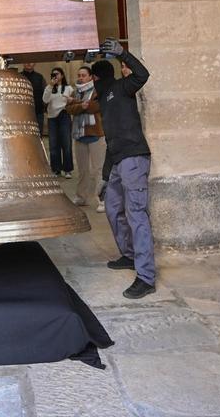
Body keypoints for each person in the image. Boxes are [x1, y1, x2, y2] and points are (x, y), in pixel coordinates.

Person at [92, 38, 156, 299]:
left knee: (136, 213)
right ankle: (129, 255)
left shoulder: (121, 88)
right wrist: (106, 177)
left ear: (97, 79)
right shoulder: (105, 100)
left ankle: (146, 277)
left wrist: (123, 53)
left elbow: (143, 74)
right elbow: (110, 140)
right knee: (112, 207)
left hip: (134, 157)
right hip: (118, 160)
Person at [66, 65, 106, 211]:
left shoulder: (97, 90)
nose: (80, 78)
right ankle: (82, 197)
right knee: (82, 170)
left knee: (98, 169)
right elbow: (69, 108)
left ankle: (102, 199)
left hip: (95, 134)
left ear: (90, 77)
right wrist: (80, 106)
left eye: (83, 75)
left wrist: (80, 105)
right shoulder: (76, 92)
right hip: (79, 135)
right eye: (79, 75)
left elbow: (96, 106)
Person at [43, 67, 75, 178]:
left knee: (66, 144)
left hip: (64, 115)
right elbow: (45, 100)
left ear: (62, 75)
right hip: (52, 117)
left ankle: (68, 170)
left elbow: (74, 102)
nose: (55, 76)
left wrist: (71, 100)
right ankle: (56, 169)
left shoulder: (69, 88)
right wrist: (50, 85)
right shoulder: (49, 88)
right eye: (53, 74)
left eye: (57, 74)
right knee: (53, 145)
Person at [20, 63, 46, 134]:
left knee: (38, 134)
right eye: (26, 61)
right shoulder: (18, 76)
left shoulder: (40, 77)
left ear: (34, 64)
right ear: (23, 63)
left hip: (38, 112)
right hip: (22, 112)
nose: (28, 63)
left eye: (31, 61)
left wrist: (44, 107)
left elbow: (45, 94)